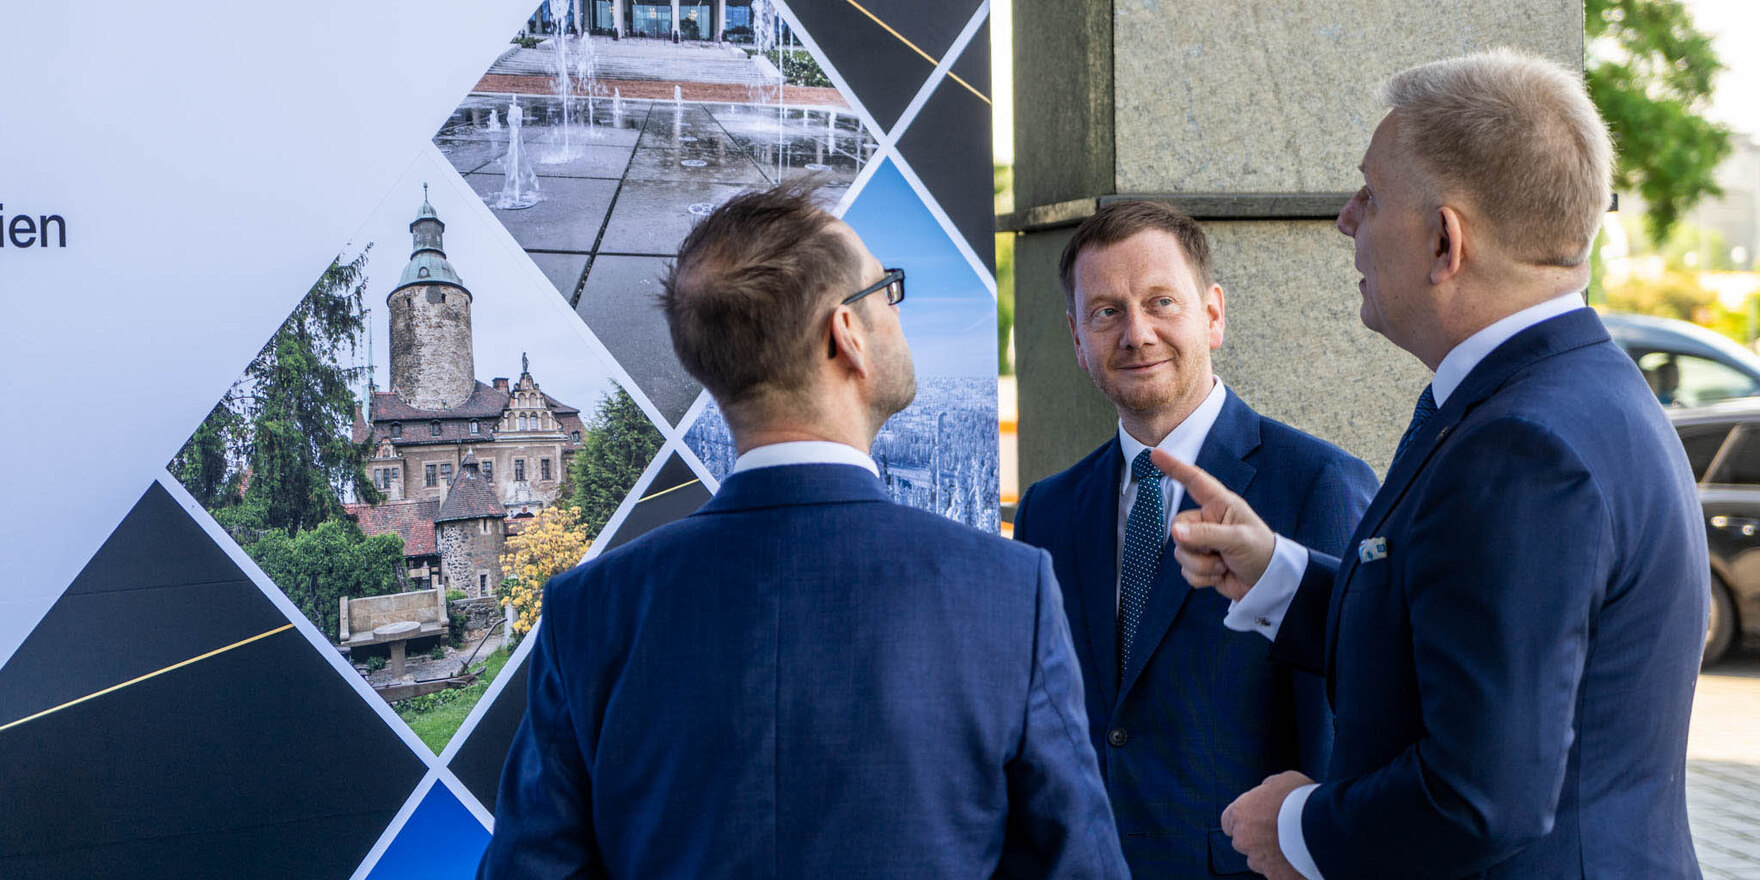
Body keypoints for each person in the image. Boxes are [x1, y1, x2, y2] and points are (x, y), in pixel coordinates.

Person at [1161, 50, 1708, 879]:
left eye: (1370, 195)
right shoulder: (1565, 390)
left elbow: (1480, 798)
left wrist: (1302, 828)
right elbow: (1463, 631)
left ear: (1444, 241)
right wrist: (1278, 574)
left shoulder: (1522, 447)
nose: (1346, 218)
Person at [478, 183, 1128, 879]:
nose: (897, 316)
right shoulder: (1008, 594)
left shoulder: (591, 610)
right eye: (888, 292)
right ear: (847, 333)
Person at [1012, 200, 1377, 877]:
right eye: (1106, 312)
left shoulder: (1318, 483)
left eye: (1160, 303)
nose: (1137, 333)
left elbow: (1347, 724)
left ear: (1213, 314)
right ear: (1075, 338)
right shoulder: (1048, 510)